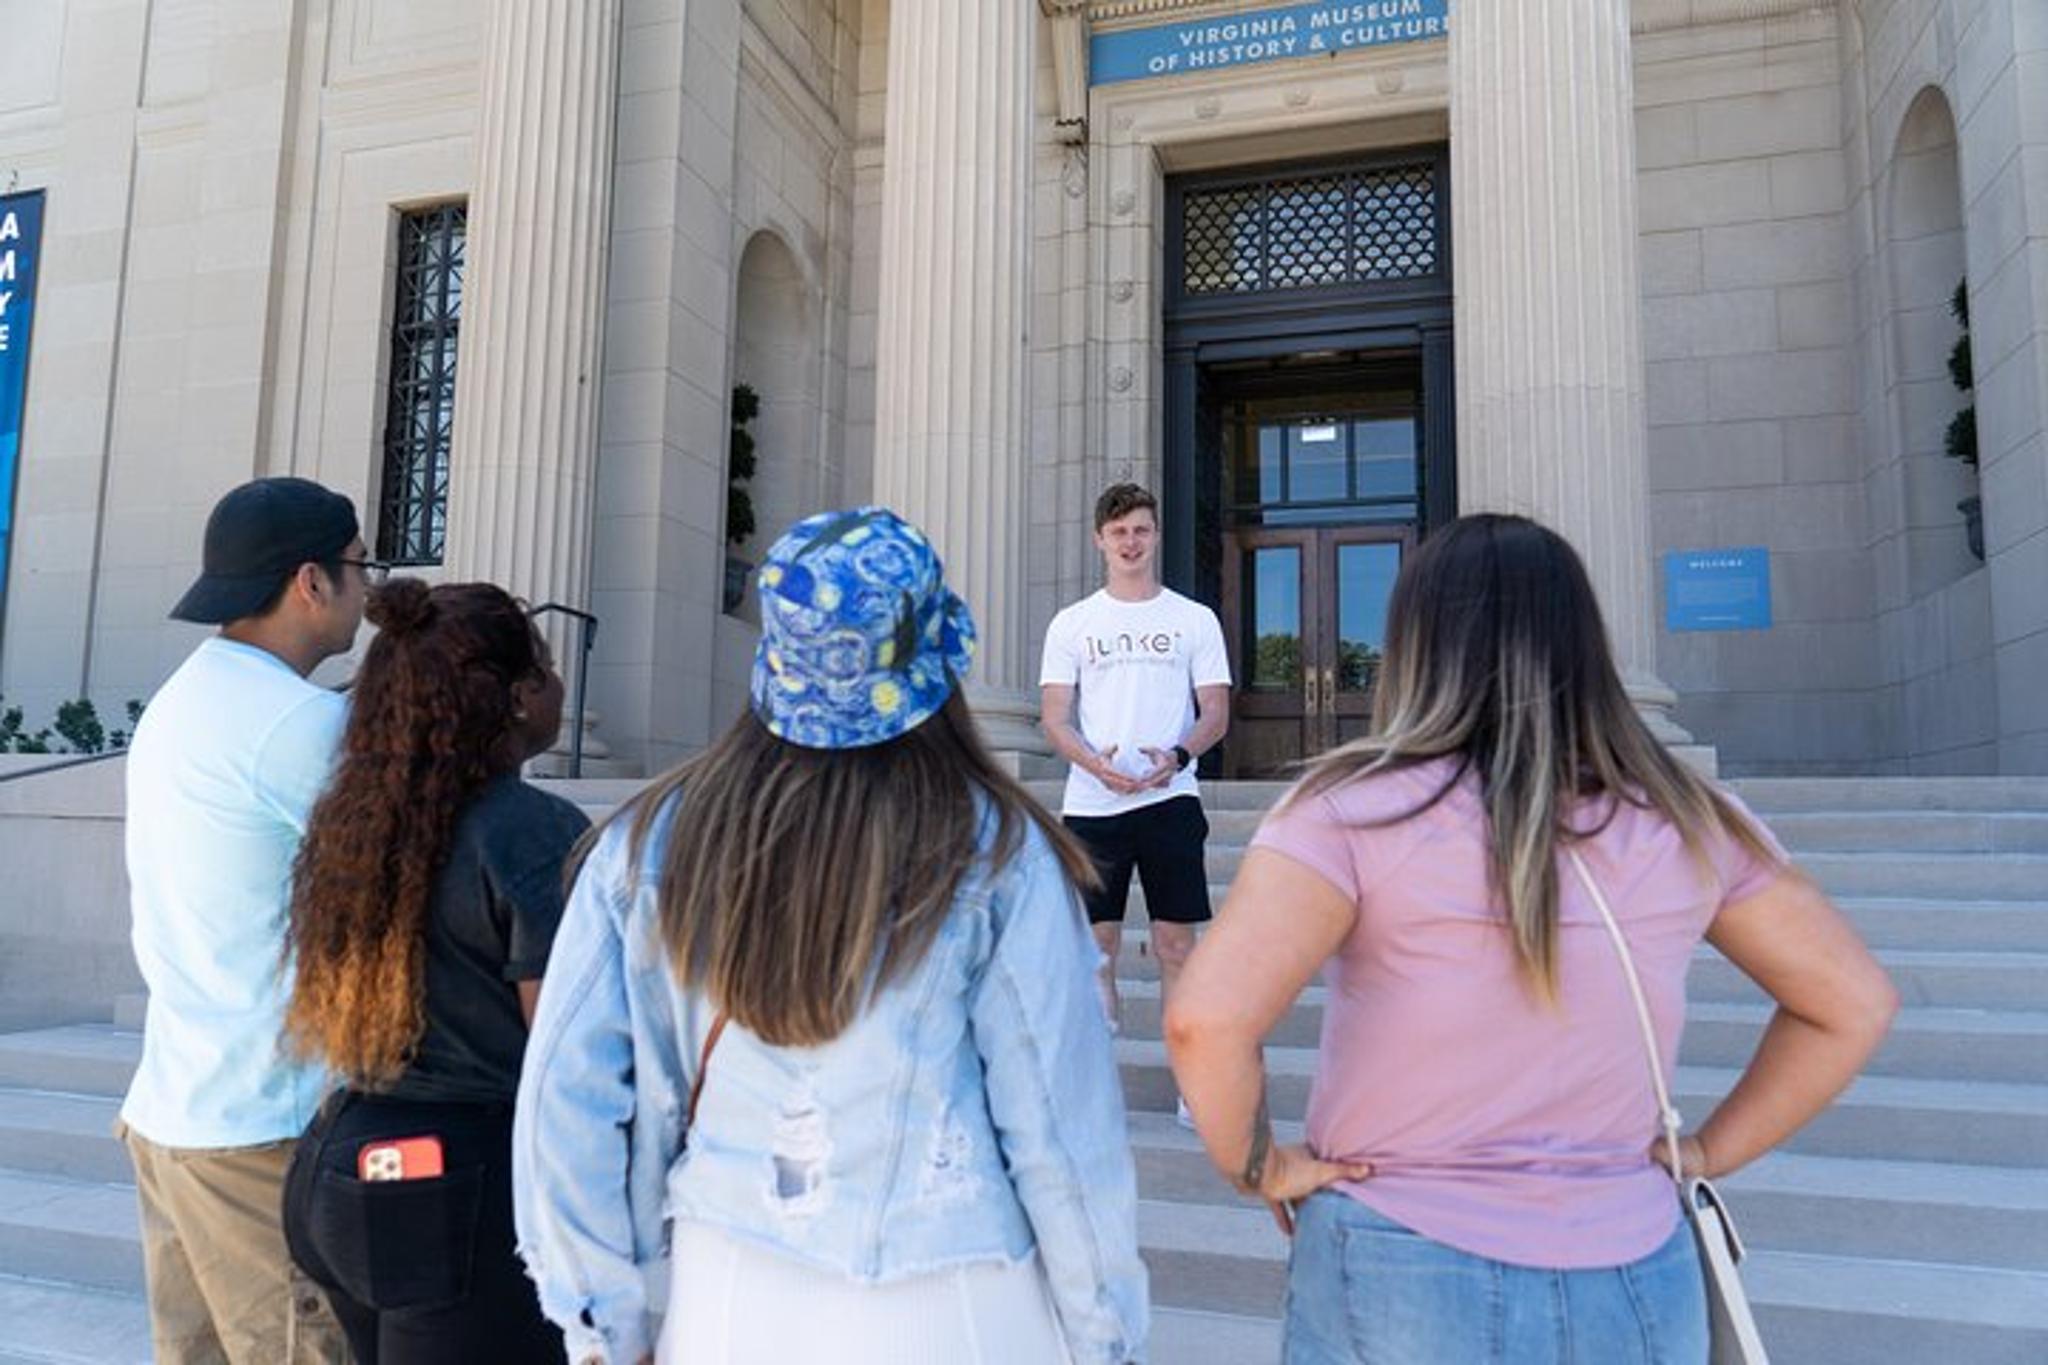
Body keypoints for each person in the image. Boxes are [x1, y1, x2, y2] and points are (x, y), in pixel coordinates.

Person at [1163, 513, 1900, 1363]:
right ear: (1584, 641)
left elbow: (1205, 1019)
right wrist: (1706, 1150)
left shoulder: (1351, 807)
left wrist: (1261, 1166)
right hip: (1632, 1262)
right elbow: (1854, 1001)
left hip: (1398, 1253)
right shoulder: (1693, 821)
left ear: (1415, 644)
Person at [514, 507, 1148, 1365]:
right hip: (959, 1294)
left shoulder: (648, 840)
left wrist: (599, 1325)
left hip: (727, 1290)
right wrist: (1107, 1336)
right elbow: (1061, 1132)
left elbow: (566, 1097)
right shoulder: (1000, 849)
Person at [279, 579, 584, 1363]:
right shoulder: (532, 832)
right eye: (544, 669)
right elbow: (566, 1054)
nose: (556, 685)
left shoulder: (355, 816)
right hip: (452, 1194)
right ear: (516, 697)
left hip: (338, 1165)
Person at [118, 476, 376, 1365]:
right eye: (359, 566)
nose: (368, 590)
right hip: (257, 1134)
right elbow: (409, 868)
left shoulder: (185, 699)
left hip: (175, 1112)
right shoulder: (293, 723)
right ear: (312, 580)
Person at [1038, 483, 1230, 1109]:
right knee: (1096, 947)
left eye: (1141, 530)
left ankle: (1189, 1079)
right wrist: (1094, 763)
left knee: (1178, 944)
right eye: (1119, 532)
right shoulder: (1073, 623)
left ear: (1155, 536)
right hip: (1093, 805)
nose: (1130, 541)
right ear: (1100, 540)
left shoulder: (1192, 619)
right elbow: (1056, 717)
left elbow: (1216, 713)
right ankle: (1093, 1077)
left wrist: (1176, 756)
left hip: (1170, 800)